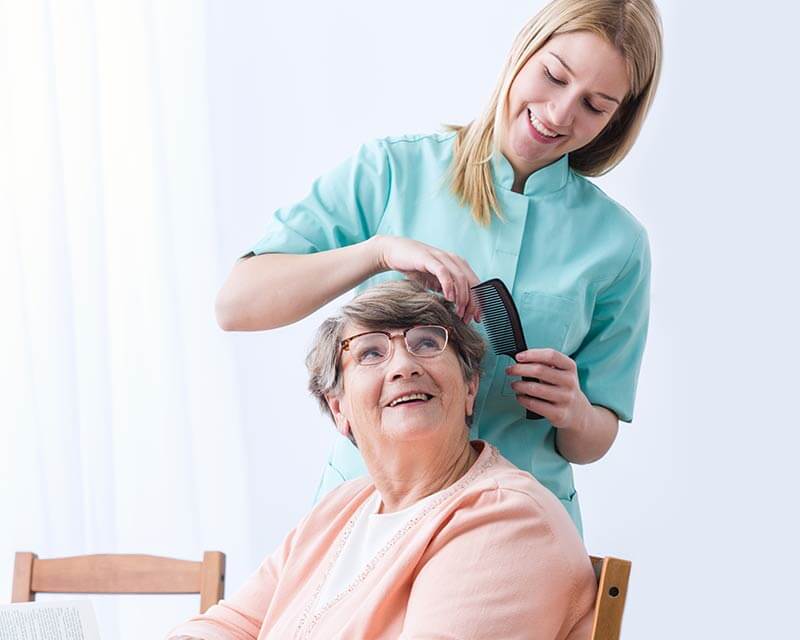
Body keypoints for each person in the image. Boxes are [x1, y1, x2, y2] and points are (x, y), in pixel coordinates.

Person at [215, 0, 663, 535]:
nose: (561, 113)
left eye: (595, 105)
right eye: (554, 76)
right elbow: (237, 304)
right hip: (373, 516)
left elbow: (596, 436)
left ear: (617, 119)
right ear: (524, 52)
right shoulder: (391, 171)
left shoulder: (618, 245)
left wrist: (576, 412)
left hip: (519, 532)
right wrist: (378, 252)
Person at [167, 281, 597, 640]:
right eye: (371, 352)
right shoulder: (341, 509)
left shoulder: (505, 519)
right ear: (339, 410)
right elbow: (232, 624)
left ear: (469, 388)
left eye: (427, 342)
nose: (404, 366)